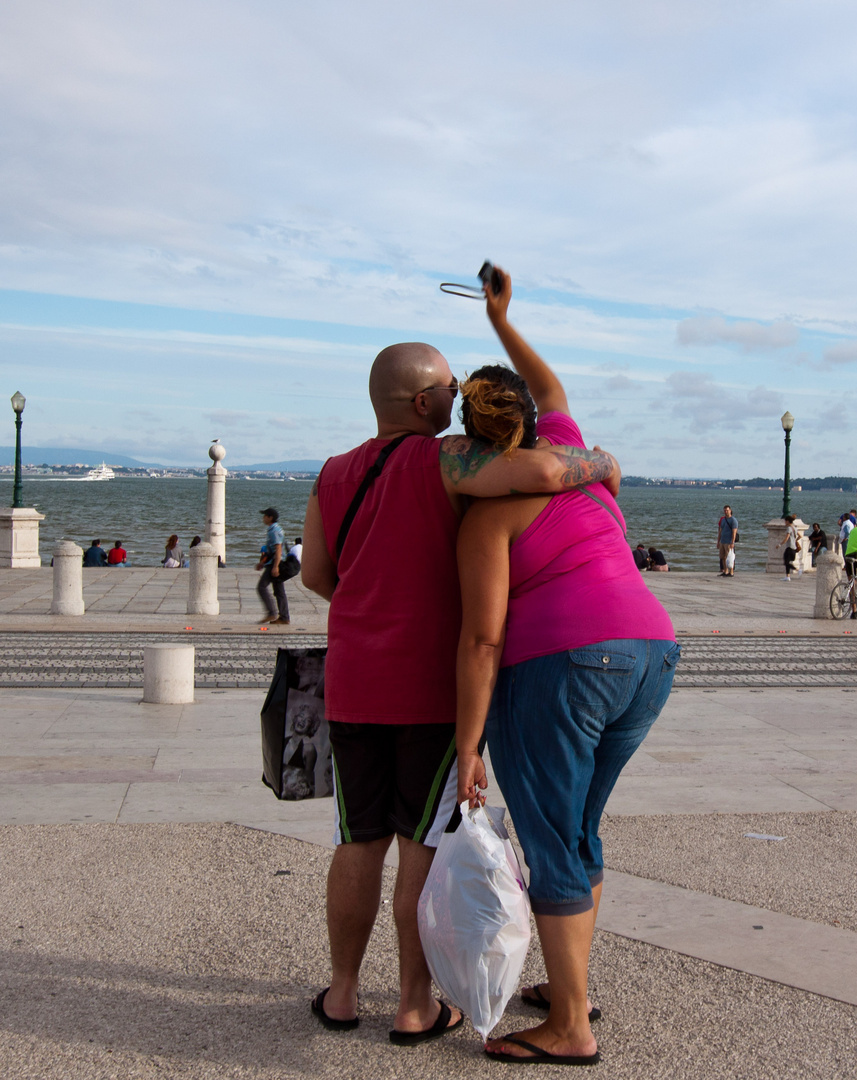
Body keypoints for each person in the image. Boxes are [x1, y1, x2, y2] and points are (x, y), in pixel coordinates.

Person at [299, 310, 621, 1039]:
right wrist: (600, 463)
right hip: (424, 689)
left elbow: (318, 573)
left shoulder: (331, 471)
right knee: (420, 844)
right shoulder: (443, 458)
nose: (456, 398)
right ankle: (415, 1006)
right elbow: (541, 468)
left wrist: (372, 606)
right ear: (422, 403)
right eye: (448, 388)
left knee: (356, 840)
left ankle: (343, 993)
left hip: (352, 681)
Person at [452, 267, 677, 1064]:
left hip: (567, 662)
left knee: (549, 835)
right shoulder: (570, 453)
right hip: (652, 652)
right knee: (579, 827)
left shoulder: (487, 516)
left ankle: (570, 1025)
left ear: (472, 441)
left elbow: (481, 642)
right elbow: (552, 386)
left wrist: (468, 743)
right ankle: (565, 978)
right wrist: (502, 320)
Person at [256, 508, 290, 625]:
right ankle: (284, 617)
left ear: (270, 517)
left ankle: (272, 613)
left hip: (275, 563)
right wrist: (262, 563)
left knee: (261, 587)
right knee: (279, 591)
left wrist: (275, 567)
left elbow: (278, 548)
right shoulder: (274, 529)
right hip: (274, 562)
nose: (263, 518)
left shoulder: (274, 530)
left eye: (265, 516)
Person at [717, 506, 739, 576]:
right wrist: (718, 541)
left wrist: (732, 542)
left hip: (728, 541)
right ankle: (725, 571)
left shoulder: (733, 520)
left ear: (730, 511)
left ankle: (731, 571)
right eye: (725, 510)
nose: (726, 512)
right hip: (722, 541)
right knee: (723, 556)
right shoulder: (723, 520)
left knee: (730, 556)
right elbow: (720, 531)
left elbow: (734, 532)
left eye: (727, 510)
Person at [782, 513, 803, 580]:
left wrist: (780, 544)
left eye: (785, 521)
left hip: (789, 547)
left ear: (788, 521)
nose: (785, 522)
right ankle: (787, 576)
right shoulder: (794, 527)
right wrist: (795, 540)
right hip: (794, 548)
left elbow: (787, 538)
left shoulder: (789, 528)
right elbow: (800, 536)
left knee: (786, 562)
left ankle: (798, 570)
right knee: (787, 562)